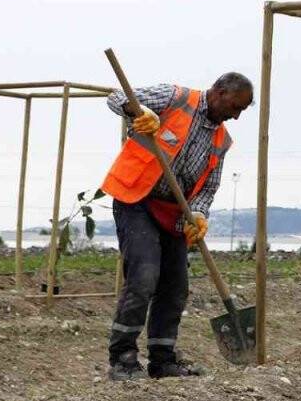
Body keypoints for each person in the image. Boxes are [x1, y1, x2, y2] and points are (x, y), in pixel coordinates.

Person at [101, 74, 254, 380]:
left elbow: (208, 187)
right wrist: (140, 113)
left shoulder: (221, 141)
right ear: (219, 91)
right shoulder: (175, 98)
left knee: (175, 286)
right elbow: (116, 97)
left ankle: (163, 360)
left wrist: (198, 214)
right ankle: (122, 358)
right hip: (137, 200)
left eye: (241, 111)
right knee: (144, 276)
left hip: (174, 211)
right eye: (235, 107)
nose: (236, 116)